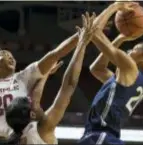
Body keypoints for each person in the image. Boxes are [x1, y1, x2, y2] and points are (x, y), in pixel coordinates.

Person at [78, 1, 143, 145]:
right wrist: (121, 37)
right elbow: (97, 69)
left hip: (101, 136)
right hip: (106, 137)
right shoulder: (135, 82)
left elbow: (93, 31)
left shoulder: (131, 68)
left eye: (135, 48)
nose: (129, 50)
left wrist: (115, 6)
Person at [5, 12, 96, 144]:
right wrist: (82, 44)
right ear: (32, 115)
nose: (36, 100)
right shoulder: (44, 129)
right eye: (33, 103)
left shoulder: (14, 133)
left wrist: (46, 73)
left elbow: (34, 96)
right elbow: (69, 86)